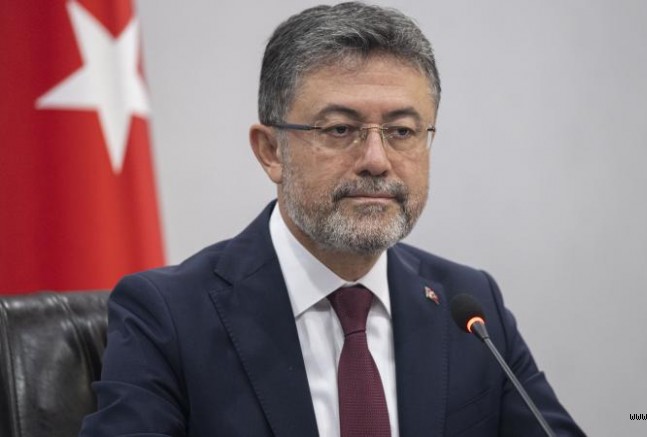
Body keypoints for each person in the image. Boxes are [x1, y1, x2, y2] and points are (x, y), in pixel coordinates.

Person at [80, 2, 585, 436]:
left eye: (402, 131)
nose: (377, 160)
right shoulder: (168, 316)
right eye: (341, 129)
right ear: (271, 151)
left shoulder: (470, 308)